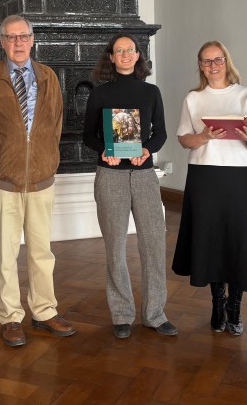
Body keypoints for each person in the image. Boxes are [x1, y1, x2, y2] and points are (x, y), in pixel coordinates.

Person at [0, 14, 75, 347]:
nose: (18, 43)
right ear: (2, 42)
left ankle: (44, 311)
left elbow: (55, 125)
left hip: (42, 181)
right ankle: (11, 317)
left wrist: (46, 162)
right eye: (11, 37)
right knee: (5, 254)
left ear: (32, 39)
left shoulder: (48, 77)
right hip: (3, 182)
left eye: (23, 36)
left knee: (42, 252)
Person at [172, 41, 247, 335]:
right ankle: (218, 304)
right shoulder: (193, 98)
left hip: (240, 176)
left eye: (218, 59)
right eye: (206, 61)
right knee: (211, 239)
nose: (213, 65)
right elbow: (183, 139)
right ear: (200, 66)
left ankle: (235, 307)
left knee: (239, 239)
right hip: (204, 176)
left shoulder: (246, 95)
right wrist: (203, 137)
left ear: (227, 61)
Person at [82, 34, 176, 339]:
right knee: (115, 248)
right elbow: (88, 136)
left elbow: (161, 133)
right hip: (110, 176)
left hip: (145, 176)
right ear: (111, 57)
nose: (124, 54)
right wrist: (104, 151)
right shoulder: (99, 94)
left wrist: (147, 150)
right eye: (118, 50)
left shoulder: (151, 92)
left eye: (130, 50)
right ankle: (122, 314)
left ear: (138, 55)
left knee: (153, 245)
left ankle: (155, 314)